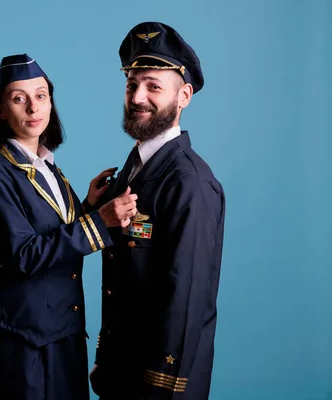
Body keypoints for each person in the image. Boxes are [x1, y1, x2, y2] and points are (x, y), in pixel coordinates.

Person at [0, 53, 138, 400]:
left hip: (65, 329)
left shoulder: (48, 166)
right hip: (22, 333)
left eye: (41, 95)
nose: (33, 108)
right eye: (19, 98)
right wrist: (99, 221)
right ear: (0, 109)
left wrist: (89, 205)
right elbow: (25, 255)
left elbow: (56, 234)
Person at [87, 22, 227, 400]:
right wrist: (105, 356)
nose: (137, 98)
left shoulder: (190, 182)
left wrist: (161, 386)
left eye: (153, 86)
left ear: (183, 96)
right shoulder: (132, 169)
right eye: (132, 85)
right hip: (121, 373)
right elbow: (122, 279)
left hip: (159, 384)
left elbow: (186, 294)